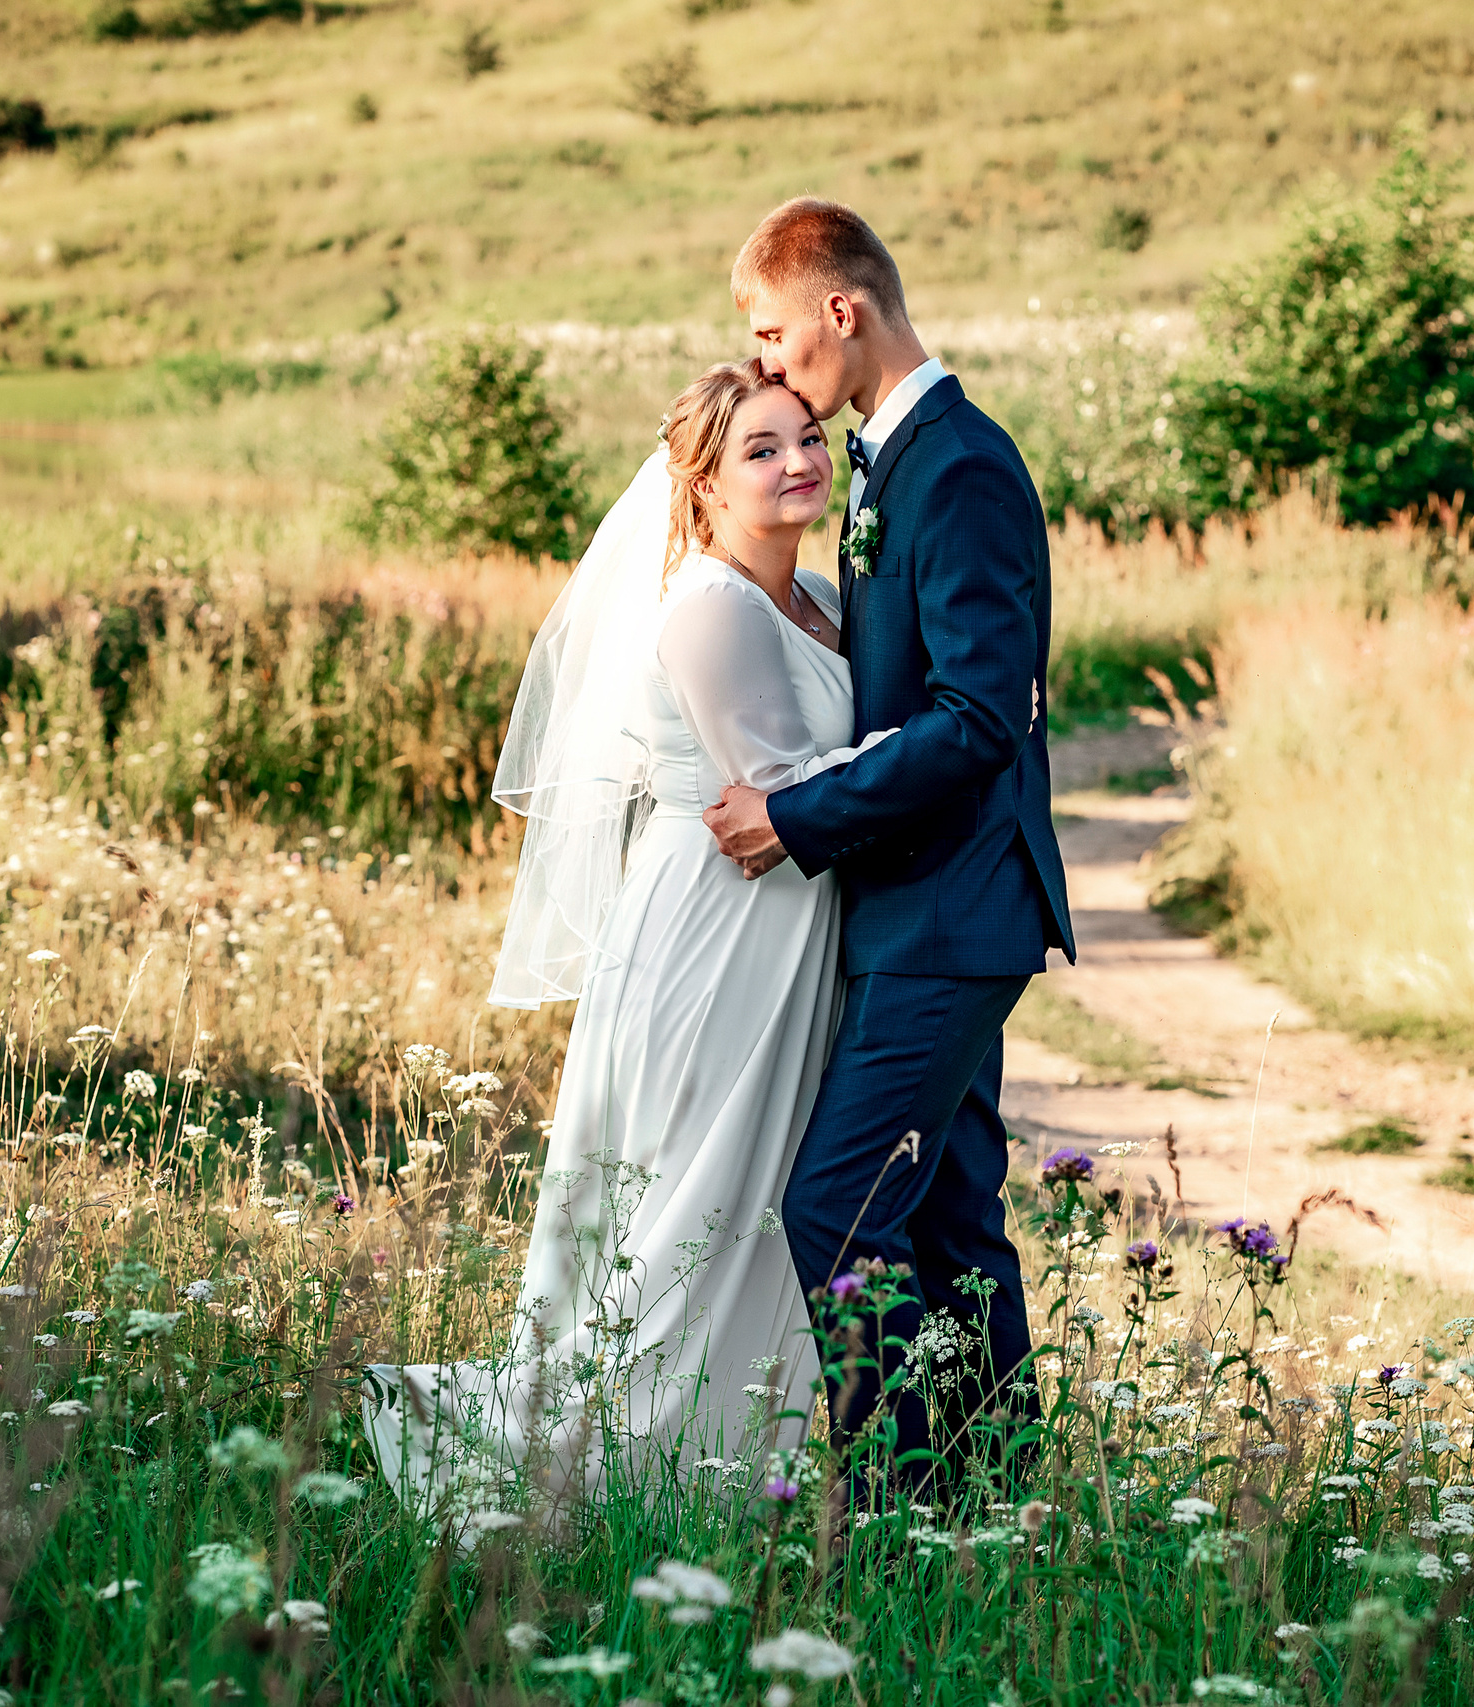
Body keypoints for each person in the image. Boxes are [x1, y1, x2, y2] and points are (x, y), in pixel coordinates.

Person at [363, 363, 892, 1514]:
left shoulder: (818, 598)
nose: (798, 462)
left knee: (752, 1200)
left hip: (787, 930)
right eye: (760, 450)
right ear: (702, 485)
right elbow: (785, 787)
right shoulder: (710, 609)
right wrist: (944, 743)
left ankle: (718, 1468)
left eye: (808, 437)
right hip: (716, 935)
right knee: (700, 1199)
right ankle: (605, 1469)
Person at [703, 197, 1076, 1476]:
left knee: (836, 1208)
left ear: (840, 310)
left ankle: (894, 1504)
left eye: (773, 333)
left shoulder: (957, 465)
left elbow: (978, 719)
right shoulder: (891, 459)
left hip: (951, 910)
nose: (764, 359)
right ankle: (995, 1502)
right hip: (921, 909)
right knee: (951, 1224)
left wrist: (795, 816)